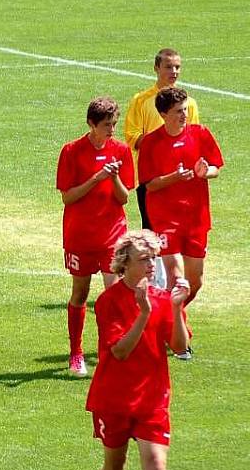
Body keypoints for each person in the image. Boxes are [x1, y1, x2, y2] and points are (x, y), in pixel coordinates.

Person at [87, 230, 190, 470]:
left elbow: (178, 347)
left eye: (153, 258)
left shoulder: (162, 297)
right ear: (124, 264)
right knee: (115, 467)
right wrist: (143, 313)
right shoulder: (109, 301)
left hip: (152, 399)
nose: (151, 265)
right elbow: (119, 351)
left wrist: (174, 308)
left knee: (157, 467)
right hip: (114, 399)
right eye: (143, 259)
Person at [138, 86, 223, 360]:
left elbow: (216, 167)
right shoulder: (151, 143)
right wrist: (174, 178)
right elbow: (149, 185)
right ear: (163, 114)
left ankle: (164, 320)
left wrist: (205, 172)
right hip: (165, 219)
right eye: (177, 112)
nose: (184, 115)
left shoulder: (200, 134)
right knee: (176, 278)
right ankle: (179, 339)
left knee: (195, 281)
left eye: (185, 109)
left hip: (196, 217)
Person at [56, 97, 134, 377]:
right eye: (107, 125)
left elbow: (124, 198)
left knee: (115, 293)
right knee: (80, 293)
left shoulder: (122, 151)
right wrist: (96, 178)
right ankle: (75, 353)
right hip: (80, 236)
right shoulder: (72, 151)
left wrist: (113, 178)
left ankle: (109, 350)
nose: (112, 129)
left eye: (114, 124)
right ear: (91, 124)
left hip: (113, 235)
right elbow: (67, 196)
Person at [124, 48, 200, 288]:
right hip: (152, 179)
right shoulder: (141, 101)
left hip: (182, 182)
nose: (173, 71)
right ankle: (154, 282)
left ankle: (172, 282)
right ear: (156, 68)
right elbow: (132, 136)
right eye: (168, 66)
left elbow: (194, 138)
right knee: (151, 230)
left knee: (180, 232)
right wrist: (161, 142)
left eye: (177, 67)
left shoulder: (190, 104)